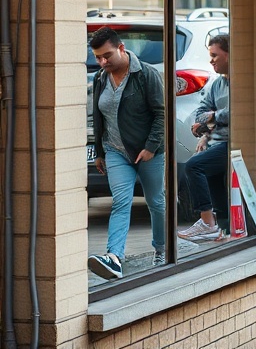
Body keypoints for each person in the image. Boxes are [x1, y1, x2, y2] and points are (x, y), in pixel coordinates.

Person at [87, 27, 166, 279]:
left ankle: (162, 249)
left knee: (156, 203)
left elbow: (161, 114)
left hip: (147, 152)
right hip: (115, 151)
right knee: (121, 202)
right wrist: (100, 152)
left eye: (107, 55)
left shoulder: (146, 75)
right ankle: (114, 258)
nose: (102, 61)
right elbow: (100, 117)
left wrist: (151, 147)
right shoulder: (101, 78)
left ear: (121, 48)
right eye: (97, 57)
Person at [178, 34, 231, 242]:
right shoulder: (216, 84)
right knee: (212, 177)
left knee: (194, 166)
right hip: (217, 141)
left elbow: (241, 111)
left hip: (234, 143)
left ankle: (207, 222)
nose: (211, 61)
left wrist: (214, 117)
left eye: (215, 56)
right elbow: (200, 111)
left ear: (229, 55)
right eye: (210, 56)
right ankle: (223, 228)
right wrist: (209, 125)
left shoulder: (242, 81)